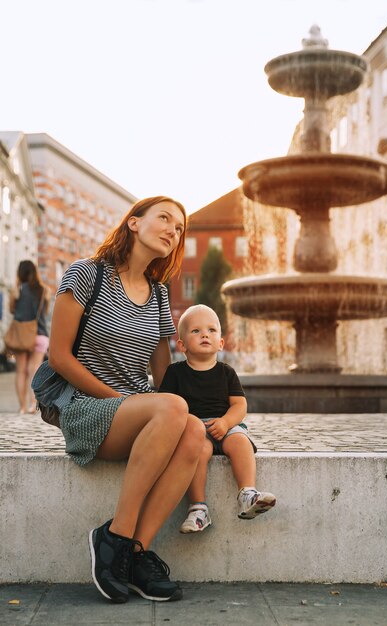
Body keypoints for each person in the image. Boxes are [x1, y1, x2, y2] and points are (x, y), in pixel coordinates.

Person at [47, 196, 205, 604]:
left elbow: (163, 377)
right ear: (133, 223)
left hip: (138, 415)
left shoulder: (158, 295)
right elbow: (58, 356)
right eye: (165, 218)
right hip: (85, 407)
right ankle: (114, 535)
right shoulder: (87, 274)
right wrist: (123, 402)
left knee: (192, 431)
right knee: (171, 409)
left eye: (181, 227)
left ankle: (134, 553)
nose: (174, 229)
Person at [159, 304, 276, 534]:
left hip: (225, 425)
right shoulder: (175, 373)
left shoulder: (226, 372)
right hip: (195, 431)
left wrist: (226, 422)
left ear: (221, 343)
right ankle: (198, 509)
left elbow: (239, 405)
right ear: (181, 345)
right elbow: (166, 405)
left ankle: (247, 494)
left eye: (212, 330)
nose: (205, 334)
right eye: (196, 331)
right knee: (197, 452)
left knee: (241, 442)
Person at [9, 260, 50, 414]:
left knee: (21, 371)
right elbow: (44, 313)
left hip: (21, 335)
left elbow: (12, 310)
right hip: (40, 335)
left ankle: (22, 407)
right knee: (34, 370)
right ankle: (34, 405)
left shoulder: (17, 290)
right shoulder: (43, 290)